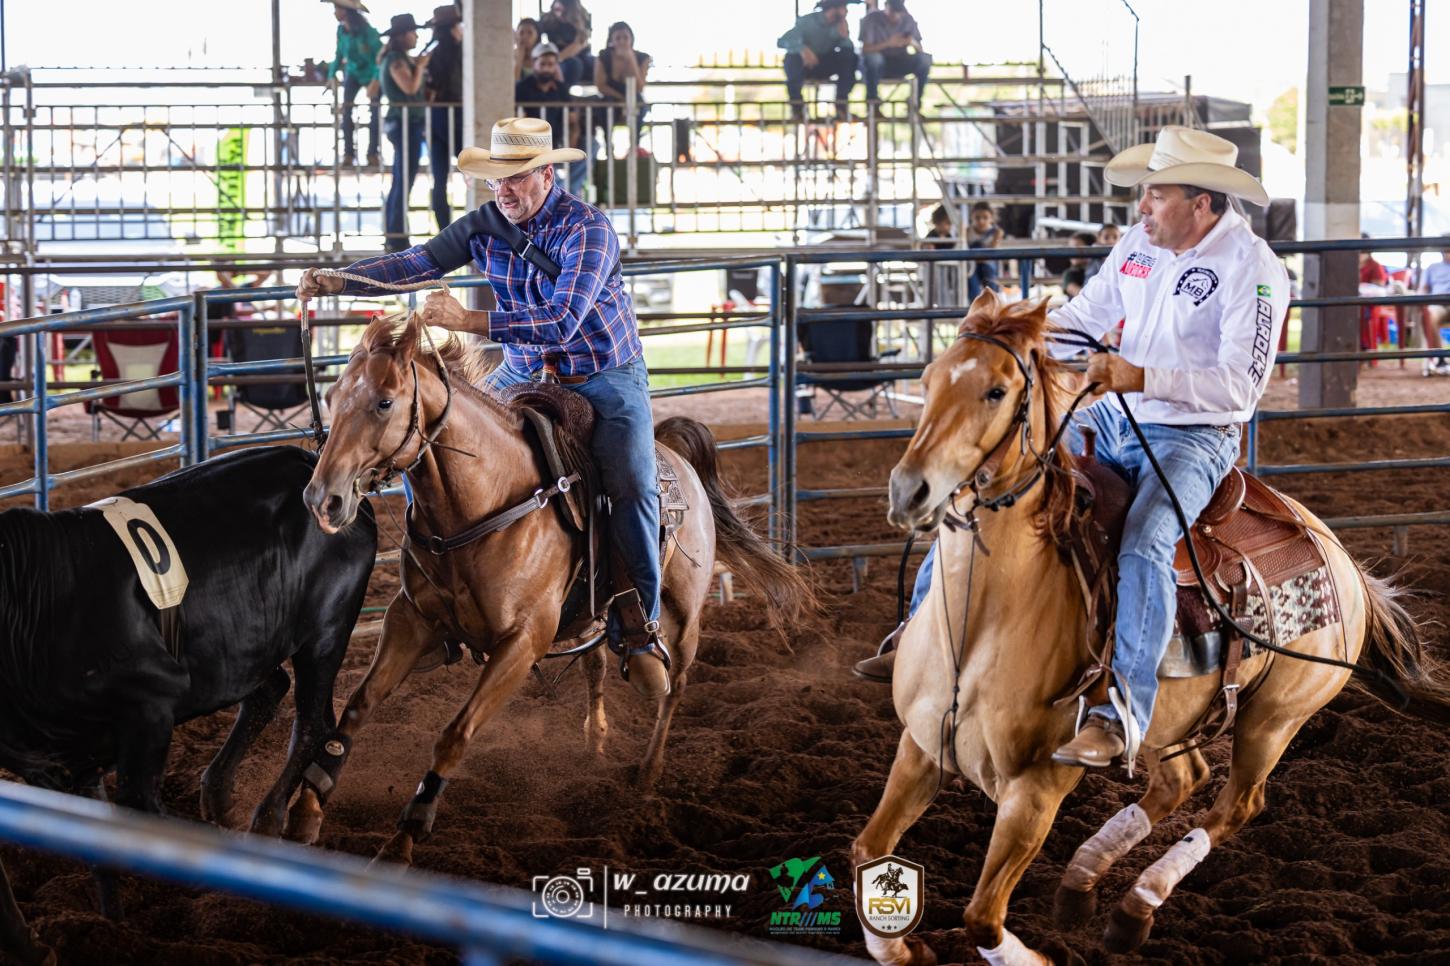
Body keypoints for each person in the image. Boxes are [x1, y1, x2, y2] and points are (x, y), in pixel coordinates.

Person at [855, 126, 1290, 776]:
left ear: (1201, 203)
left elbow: (1241, 387)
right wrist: (1005, 336)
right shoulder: (1142, 244)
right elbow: (1084, 317)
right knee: (994, 486)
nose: (1141, 207)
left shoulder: (1252, 268)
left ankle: (1124, 712)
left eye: (1157, 194)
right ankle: (914, 632)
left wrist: (1142, 377)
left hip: (1196, 437)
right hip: (1114, 417)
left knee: (1145, 541)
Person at [295, 117, 671, 700]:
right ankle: (437, 605)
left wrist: (468, 321)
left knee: (632, 483)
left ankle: (640, 628)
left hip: (603, 371)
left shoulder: (587, 230)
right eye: (497, 180)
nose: (505, 190)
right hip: (523, 369)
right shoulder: (483, 226)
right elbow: (414, 263)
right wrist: (341, 280)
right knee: (439, 448)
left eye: (517, 177)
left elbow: (562, 322)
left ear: (547, 173)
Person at [379, 13, 431, 253]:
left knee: (403, 178)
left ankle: (396, 233)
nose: (416, 36)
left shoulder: (397, 58)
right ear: (402, 36)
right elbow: (409, 88)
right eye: (412, 32)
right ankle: (396, 235)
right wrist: (420, 67)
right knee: (402, 179)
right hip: (404, 123)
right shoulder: (396, 60)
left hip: (408, 123)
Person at [516, 43, 588, 197]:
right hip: (530, 145)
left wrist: (572, 144)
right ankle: (561, 194)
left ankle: (564, 191)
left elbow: (573, 120)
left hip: (558, 142)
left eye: (551, 64)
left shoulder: (561, 89)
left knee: (591, 144)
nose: (546, 68)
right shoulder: (522, 88)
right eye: (542, 64)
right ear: (534, 64)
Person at [322, 0, 382, 168]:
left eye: (337, 8)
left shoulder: (368, 33)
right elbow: (339, 54)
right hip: (353, 73)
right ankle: (348, 153)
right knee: (346, 110)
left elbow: (379, 59)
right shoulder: (342, 31)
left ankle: (372, 153)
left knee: (375, 112)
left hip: (372, 74)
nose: (334, 12)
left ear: (347, 11)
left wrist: (376, 81)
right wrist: (331, 74)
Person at [778, 0, 860, 123]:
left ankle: (841, 105)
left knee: (850, 56)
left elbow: (848, 50)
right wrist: (802, 49)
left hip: (823, 64)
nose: (846, 12)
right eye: (844, 8)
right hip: (803, 65)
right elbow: (782, 41)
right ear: (833, 9)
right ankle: (797, 109)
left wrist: (844, 37)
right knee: (792, 60)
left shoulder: (838, 26)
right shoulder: (807, 21)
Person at [424, 5, 464, 231]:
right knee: (474, 170)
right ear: (452, 28)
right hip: (455, 114)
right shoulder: (457, 52)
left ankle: (445, 229)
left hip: (437, 114)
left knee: (439, 179)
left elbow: (431, 87)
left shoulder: (435, 51)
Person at [858, 0, 930, 104]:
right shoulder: (872, 18)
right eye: (893, 12)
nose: (895, 15)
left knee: (925, 59)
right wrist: (888, 43)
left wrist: (911, 42)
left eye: (898, 12)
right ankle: (873, 102)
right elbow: (865, 50)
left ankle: (915, 102)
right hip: (879, 65)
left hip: (900, 61)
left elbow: (920, 50)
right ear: (886, 6)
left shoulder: (908, 19)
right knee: (874, 59)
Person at [594, 21, 650, 133]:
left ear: (631, 39)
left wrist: (631, 59)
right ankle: (609, 144)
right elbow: (601, 85)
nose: (622, 42)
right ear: (611, 40)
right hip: (611, 97)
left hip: (634, 97)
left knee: (640, 106)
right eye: (618, 38)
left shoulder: (642, 57)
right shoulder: (604, 56)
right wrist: (621, 98)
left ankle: (635, 146)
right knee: (604, 107)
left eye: (625, 38)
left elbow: (639, 87)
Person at [539, 0, 593, 88]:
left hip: (579, 57)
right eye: (557, 10)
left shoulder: (583, 17)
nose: (560, 14)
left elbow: (580, 44)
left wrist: (579, 27)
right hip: (558, 58)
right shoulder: (548, 20)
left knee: (586, 62)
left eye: (564, 11)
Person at [1416, 248, 1450, 376]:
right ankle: (1440, 359)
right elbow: (1423, 288)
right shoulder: (1432, 267)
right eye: (1447, 250)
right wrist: (1422, 300)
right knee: (1429, 315)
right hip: (1438, 304)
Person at [966, 201, 1000, 302]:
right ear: (972, 217)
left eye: (985, 218)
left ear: (991, 219)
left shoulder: (996, 232)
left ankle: (992, 302)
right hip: (972, 264)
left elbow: (992, 252)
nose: (981, 221)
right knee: (972, 284)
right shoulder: (967, 231)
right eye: (977, 218)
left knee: (990, 279)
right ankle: (975, 305)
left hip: (987, 263)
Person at [514, 17, 542, 82]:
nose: (525, 36)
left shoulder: (543, 55)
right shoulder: (511, 56)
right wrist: (519, 58)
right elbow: (513, 85)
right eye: (521, 33)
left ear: (537, 35)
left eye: (530, 33)